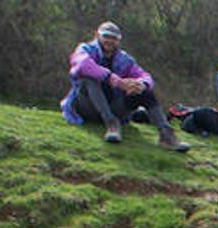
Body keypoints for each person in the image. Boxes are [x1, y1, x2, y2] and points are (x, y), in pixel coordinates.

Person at [60, 21, 189, 152]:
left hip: (114, 107)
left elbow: (145, 76)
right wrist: (115, 80)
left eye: (114, 38)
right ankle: (111, 124)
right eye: (106, 36)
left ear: (119, 40)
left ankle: (166, 134)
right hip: (87, 107)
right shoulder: (85, 50)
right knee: (88, 79)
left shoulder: (125, 59)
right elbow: (83, 65)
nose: (110, 41)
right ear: (97, 35)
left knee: (145, 92)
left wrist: (141, 85)